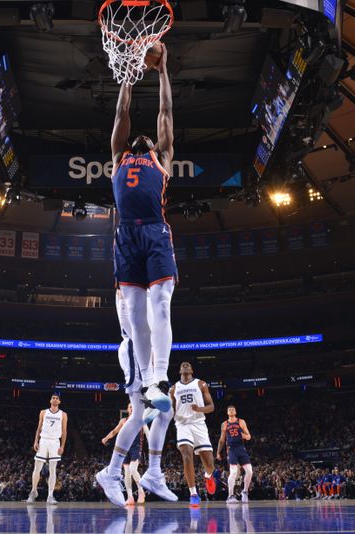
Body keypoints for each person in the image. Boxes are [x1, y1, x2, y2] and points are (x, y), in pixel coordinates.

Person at [109, 41, 175, 414]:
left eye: (148, 137)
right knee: (134, 313)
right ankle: (145, 378)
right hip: (126, 236)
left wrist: (163, 70)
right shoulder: (119, 156)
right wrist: (130, 76)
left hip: (154, 232)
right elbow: (122, 112)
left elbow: (165, 109)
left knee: (160, 305)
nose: (144, 137)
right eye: (141, 137)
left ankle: (159, 378)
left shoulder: (161, 155)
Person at [95, 291, 177, 507]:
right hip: (135, 347)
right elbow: (127, 312)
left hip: (149, 350)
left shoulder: (153, 284)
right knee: (139, 415)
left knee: (166, 412)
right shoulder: (129, 280)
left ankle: (153, 471)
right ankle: (112, 472)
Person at [170, 361, 217, 506]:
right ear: (179, 370)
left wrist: (198, 409)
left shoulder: (200, 384)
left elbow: (211, 407)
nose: (184, 365)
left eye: (187, 364)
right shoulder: (173, 389)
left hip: (198, 423)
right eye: (182, 364)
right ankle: (193, 494)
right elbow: (171, 411)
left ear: (192, 369)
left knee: (210, 464)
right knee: (186, 455)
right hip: (182, 424)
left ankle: (208, 476)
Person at [101, 402, 148, 505]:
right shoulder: (123, 421)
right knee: (126, 472)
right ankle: (130, 497)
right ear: (127, 409)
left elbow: (148, 433)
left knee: (132, 469)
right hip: (125, 449)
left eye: (133, 407)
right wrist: (106, 437)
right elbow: (114, 431)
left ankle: (141, 491)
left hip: (136, 448)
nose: (132, 408)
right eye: (130, 407)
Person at [27, 394, 67, 504]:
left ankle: (50, 495)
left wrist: (62, 445)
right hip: (43, 440)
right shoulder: (43, 412)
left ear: (59, 401)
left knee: (53, 469)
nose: (55, 400)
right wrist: (36, 441)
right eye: (53, 398)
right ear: (50, 400)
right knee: (37, 467)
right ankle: (33, 491)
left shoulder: (63, 414)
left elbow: (64, 431)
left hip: (55, 442)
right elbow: (39, 428)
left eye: (57, 398)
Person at [216, 405, 252, 504]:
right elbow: (222, 439)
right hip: (231, 450)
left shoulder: (241, 421)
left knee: (249, 471)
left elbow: (249, 436)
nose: (231, 411)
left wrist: (244, 436)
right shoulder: (224, 424)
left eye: (233, 409)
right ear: (227, 413)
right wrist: (218, 452)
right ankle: (230, 496)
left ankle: (244, 492)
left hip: (241, 448)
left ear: (235, 412)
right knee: (233, 472)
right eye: (229, 410)